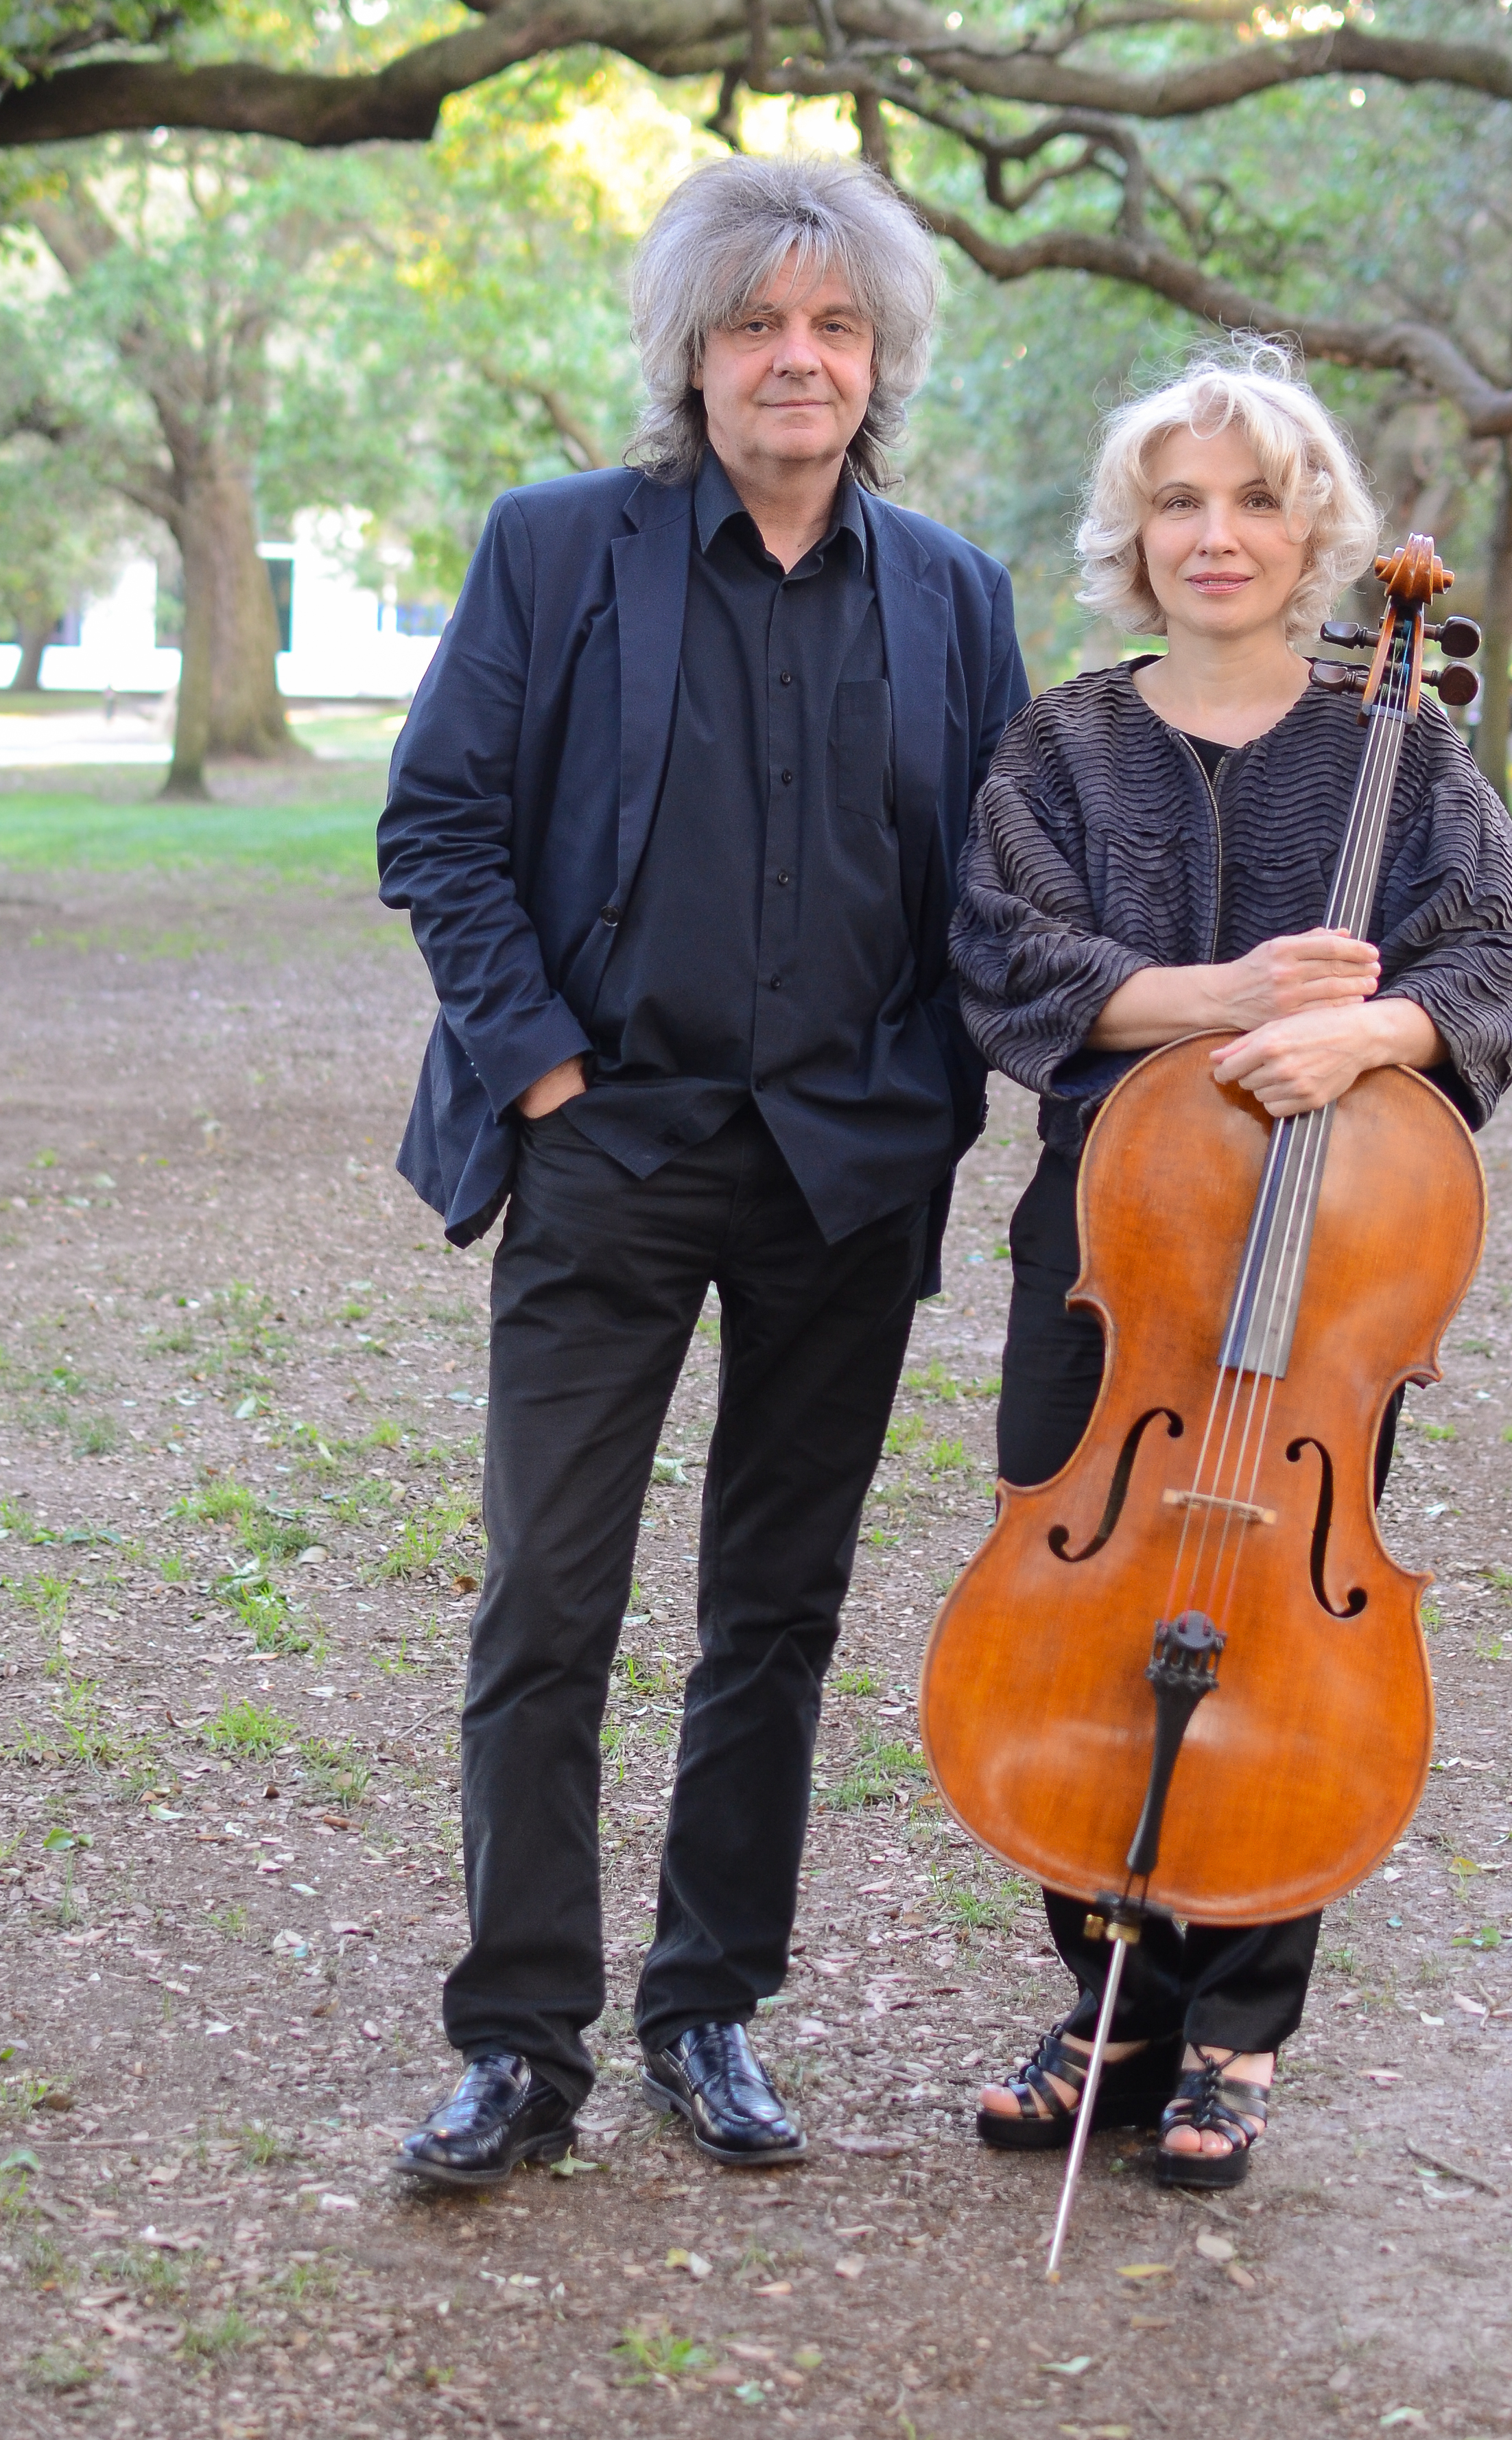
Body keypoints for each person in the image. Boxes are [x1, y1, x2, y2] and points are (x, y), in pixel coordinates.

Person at [376, 156, 1028, 2188]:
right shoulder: (557, 550)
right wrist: (545, 1065)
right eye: (758, 323)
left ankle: (710, 2002)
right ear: (692, 352)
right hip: (612, 1146)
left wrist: (941, 1090)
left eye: (835, 326)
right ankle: (517, 2041)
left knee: (777, 1605)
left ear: (880, 357)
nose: (798, 359)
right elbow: (441, 825)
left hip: (847, 1171)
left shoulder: (954, 593)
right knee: (547, 1596)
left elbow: (1004, 901)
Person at [948, 345, 1512, 2189]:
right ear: (1131, 538)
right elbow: (1007, 954)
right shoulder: (1068, 740)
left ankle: (1235, 2022)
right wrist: (1220, 1004)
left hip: (1328, 1285)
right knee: (1071, 1605)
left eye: (1254, 498)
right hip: (1107, 1261)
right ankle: (1111, 1997)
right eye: (1177, 500)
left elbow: (1503, 956)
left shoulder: (1404, 744)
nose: (1214, 533)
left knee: (1284, 1621)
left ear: (1317, 533)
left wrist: (1370, 1034)